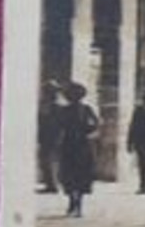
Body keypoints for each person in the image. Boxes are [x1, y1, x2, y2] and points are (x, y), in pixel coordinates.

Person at [56, 82, 99, 218]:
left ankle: (72, 203)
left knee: (70, 175)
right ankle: (77, 204)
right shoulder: (86, 109)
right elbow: (95, 125)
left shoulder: (64, 110)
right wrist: (86, 131)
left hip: (70, 145)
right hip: (82, 145)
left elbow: (59, 126)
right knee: (80, 175)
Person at [37, 80, 61, 194]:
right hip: (46, 136)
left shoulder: (57, 106)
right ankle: (50, 184)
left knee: (51, 161)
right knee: (45, 161)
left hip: (53, 136)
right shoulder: (44, 104)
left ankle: (53, 185)